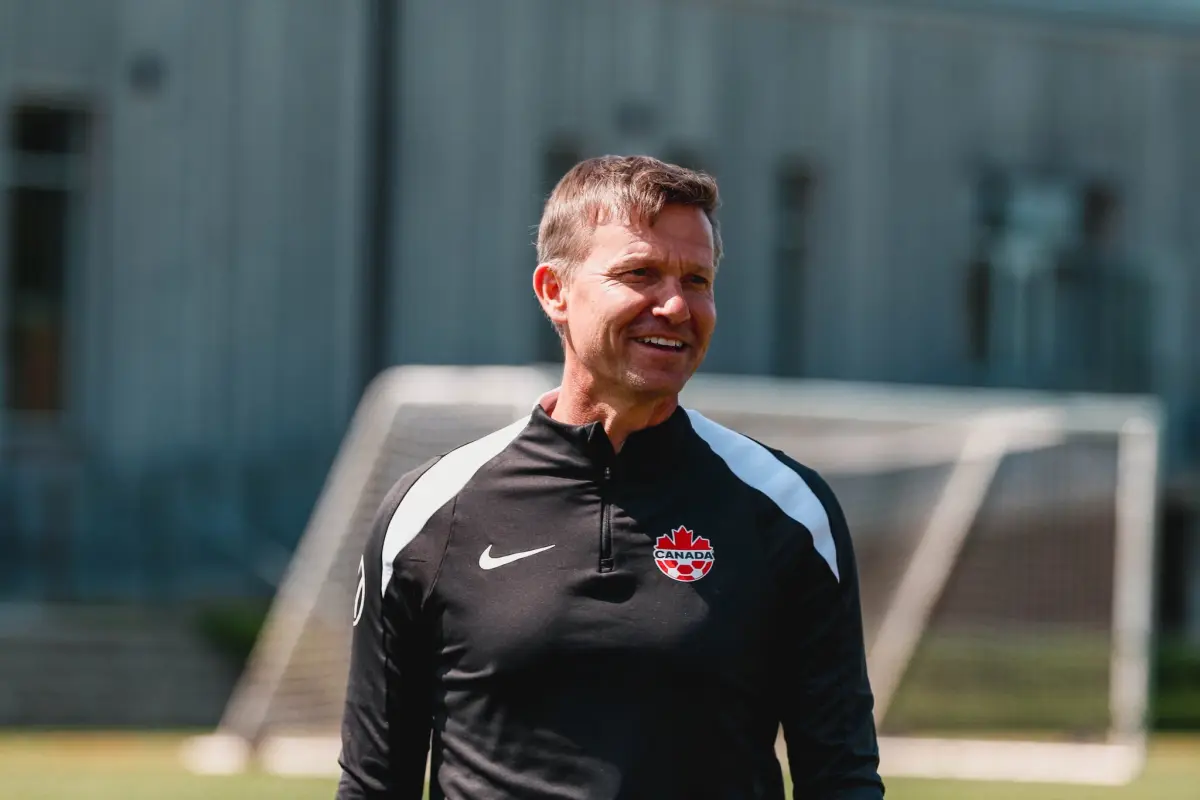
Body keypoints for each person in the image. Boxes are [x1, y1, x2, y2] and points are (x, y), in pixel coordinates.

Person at [336, 155, 885, 799]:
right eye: (640, 274)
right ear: (554, 291)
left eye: (697, 279)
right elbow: (374, 785)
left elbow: (841, 780)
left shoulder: (790, 510)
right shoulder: (428, 512)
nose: (676, 305)